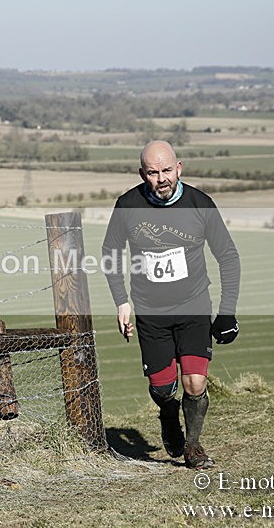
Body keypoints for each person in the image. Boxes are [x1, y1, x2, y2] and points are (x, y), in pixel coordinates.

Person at [102, 140, 240, 469]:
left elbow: (228, 257)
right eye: (153, 172)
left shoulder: (200, 203)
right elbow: (110, 253)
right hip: (151, 314)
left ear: (179, 168)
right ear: (142, 174)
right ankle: (167, 415)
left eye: (167, 170)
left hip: (193, 307)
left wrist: (227, 311)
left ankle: (193, 446)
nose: (161, 178)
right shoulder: (128, 205)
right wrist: (121, 301)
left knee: (195, 382)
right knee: (163, 389)